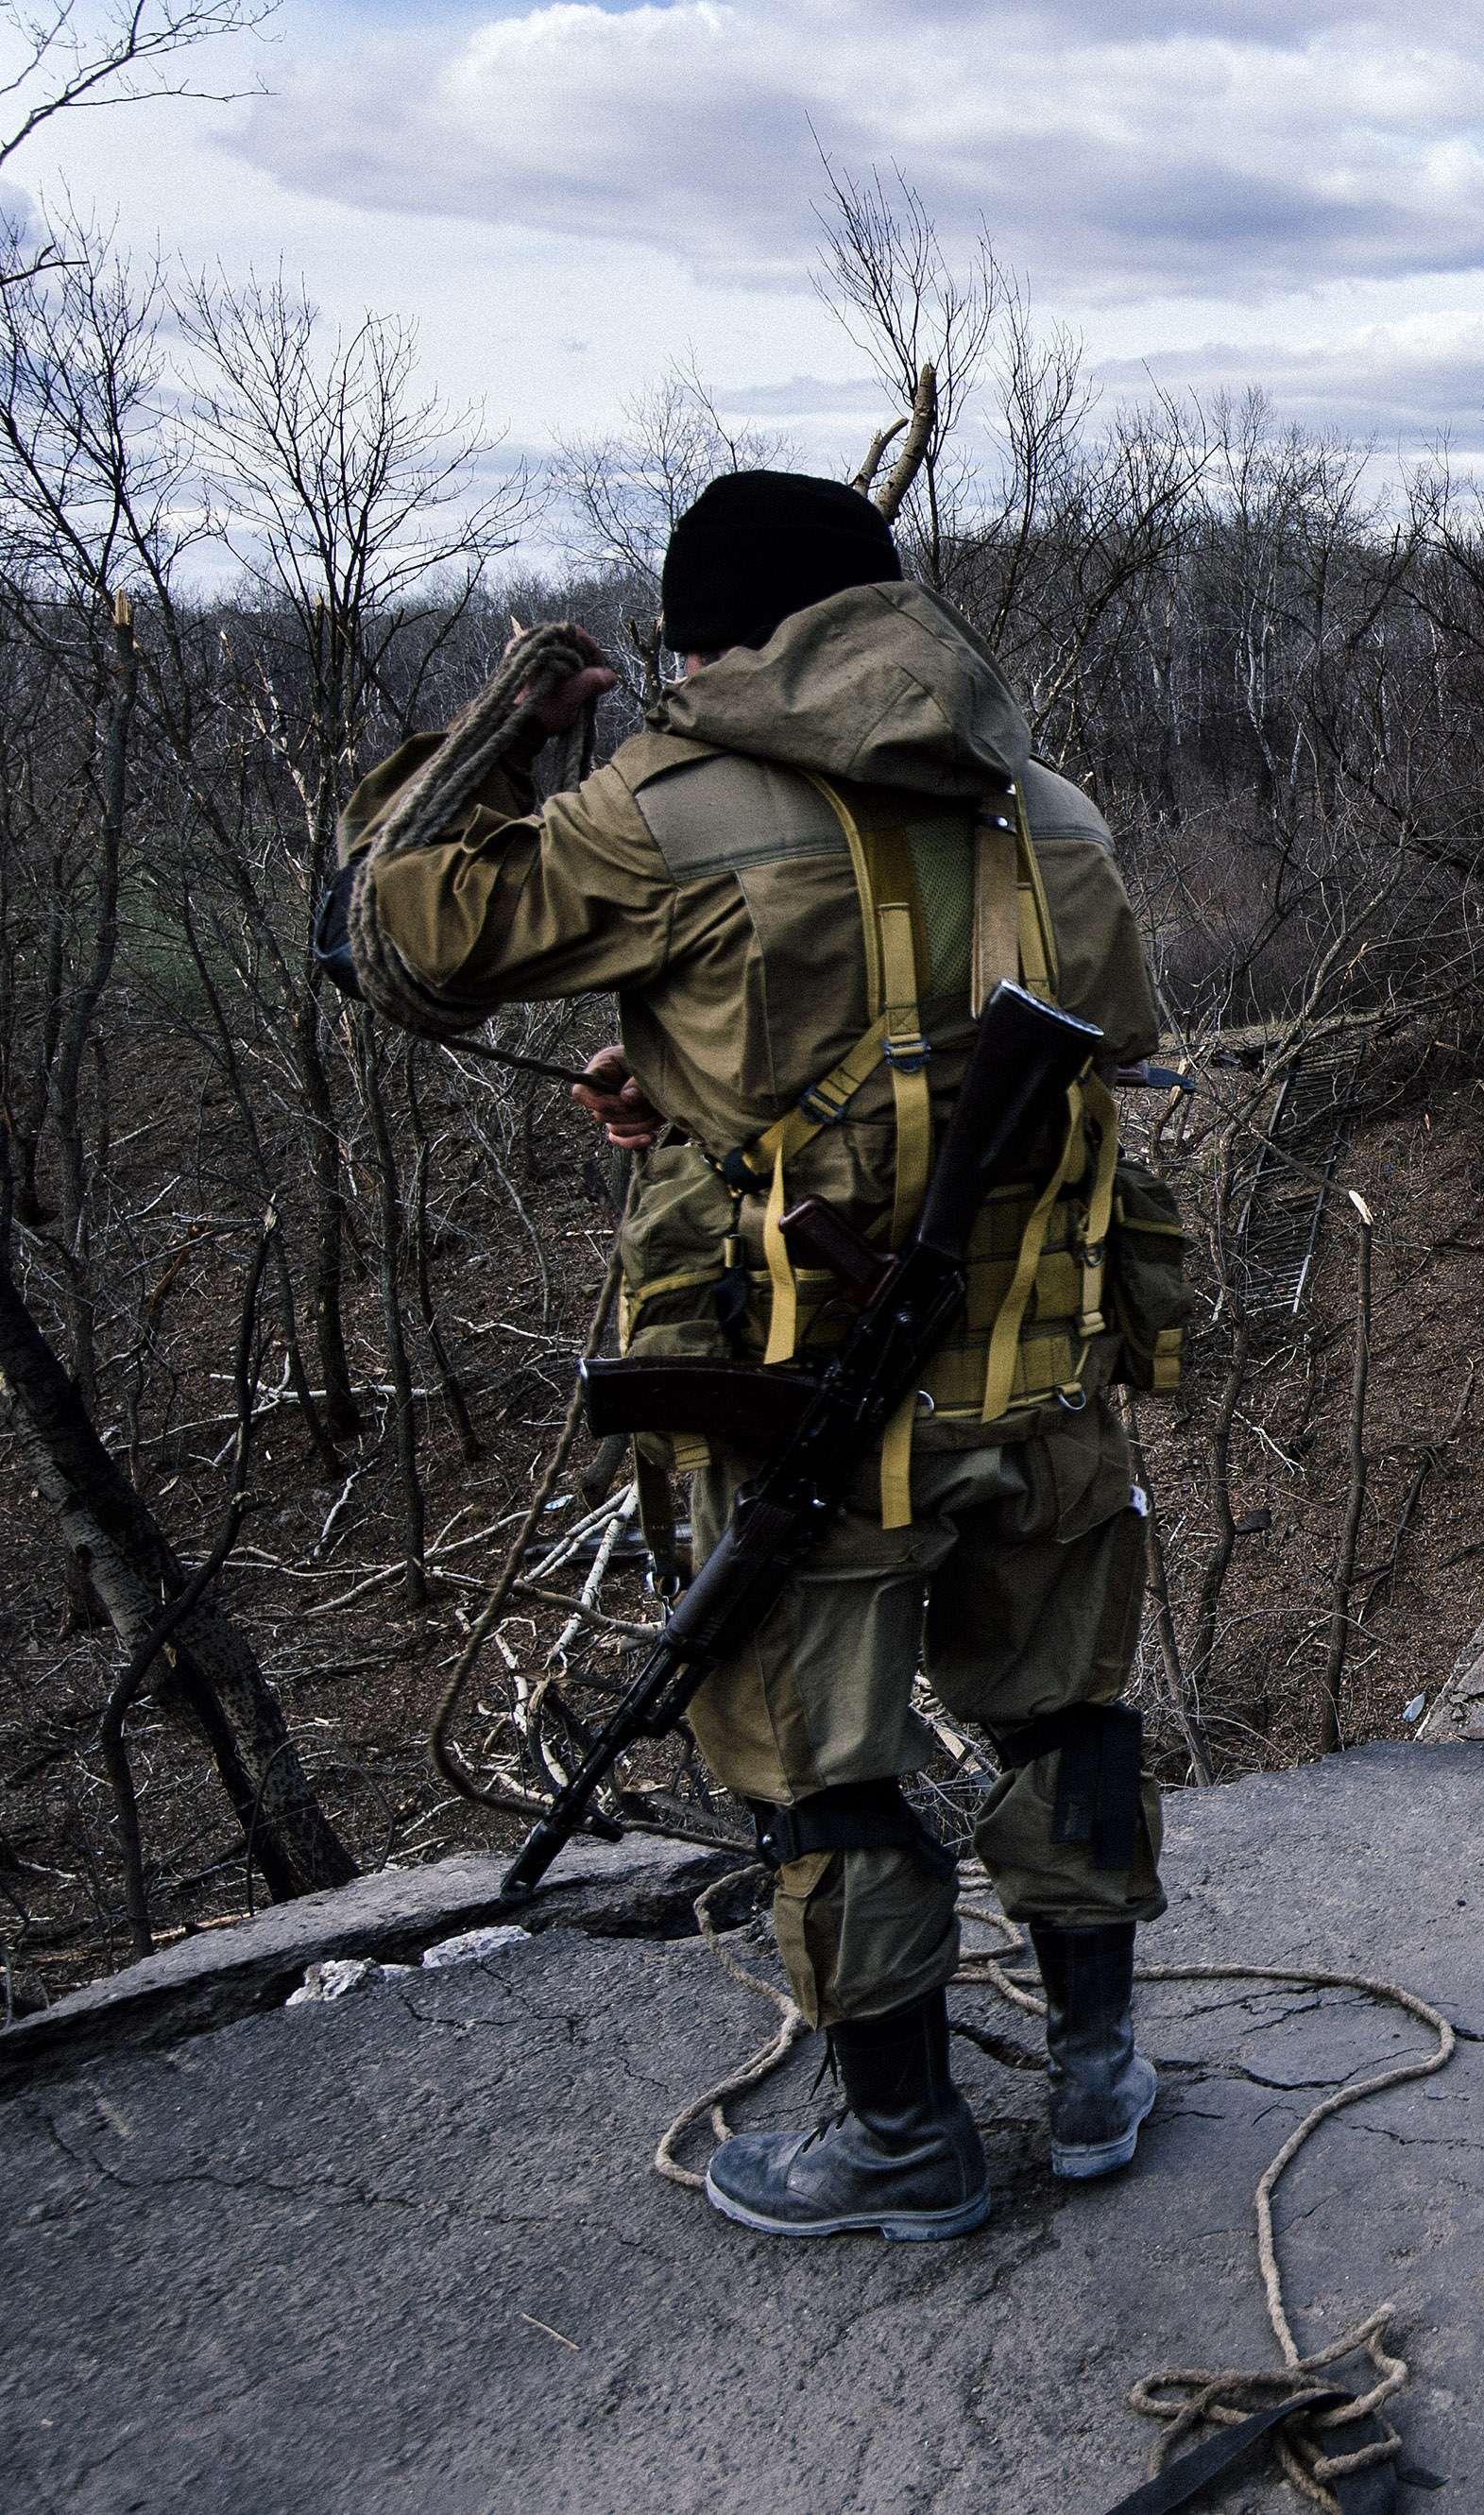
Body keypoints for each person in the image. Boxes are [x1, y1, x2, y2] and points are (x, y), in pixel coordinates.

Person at [330, 470, 1183, 2244]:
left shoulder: (670, 804)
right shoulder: (1058, 808)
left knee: (825, 1763)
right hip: (1042, 1374)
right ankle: (1102, 2076)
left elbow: (395, 937)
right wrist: (714, 1080)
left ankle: (903, 2142)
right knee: (1070, 1711)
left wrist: (507, 722)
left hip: (820, 1388)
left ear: (715, 638)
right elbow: (1020, 1064)